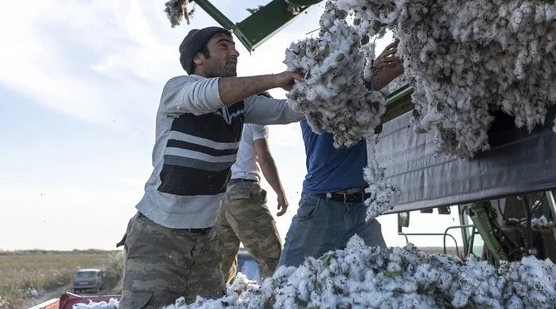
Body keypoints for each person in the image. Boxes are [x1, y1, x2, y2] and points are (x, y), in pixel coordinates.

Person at [118, 27, 304, 309]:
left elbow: (288, 111)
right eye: (223, 46)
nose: (235, 52)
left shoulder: (240, 105)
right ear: (198, 59)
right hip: (158, 238)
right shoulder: (178, 90)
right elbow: (209, 94)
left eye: (234, 46)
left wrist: (328, 82)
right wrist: (276, 79)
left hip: (205, 242)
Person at [278, 42, 404, 268]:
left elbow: (395, 68)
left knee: (387, 278)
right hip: (320, 210)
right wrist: (371, 70)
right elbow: (343, 94)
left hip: (361, 209)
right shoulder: (311, 103)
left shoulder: (358, 93)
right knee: (286, 283)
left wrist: (379, 65)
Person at [215, 119, 288, 282]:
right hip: (243, 194)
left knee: (220, 266)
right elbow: (264, 159)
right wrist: (280, 191)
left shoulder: (225, 119)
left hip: (220, 197)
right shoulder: (256, 120)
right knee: (274, 261)